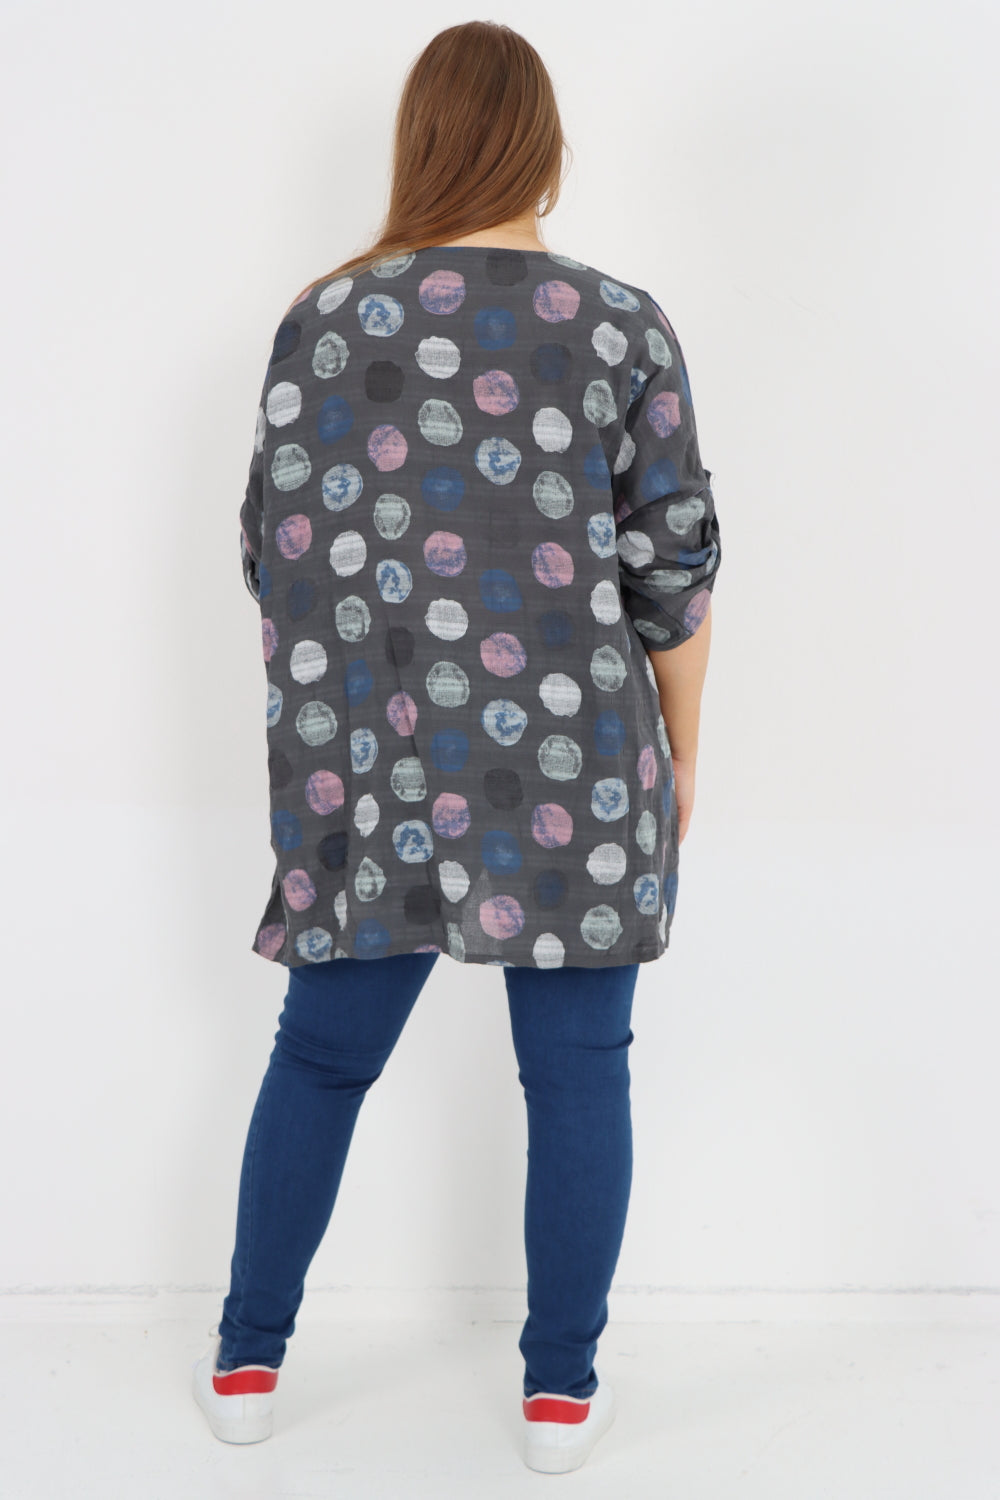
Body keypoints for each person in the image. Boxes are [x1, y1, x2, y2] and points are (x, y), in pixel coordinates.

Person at [191, 19, 721, 1475]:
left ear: (418, 142)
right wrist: (682, 760)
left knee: (319, 1058)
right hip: (579, 762)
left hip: (376, 764)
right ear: (545, 147)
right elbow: (672, 570)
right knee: (581, 1072)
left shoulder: (322, 320)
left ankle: (246, 1363)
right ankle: (560, 1395)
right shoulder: (619, 325)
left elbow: (270, 551)